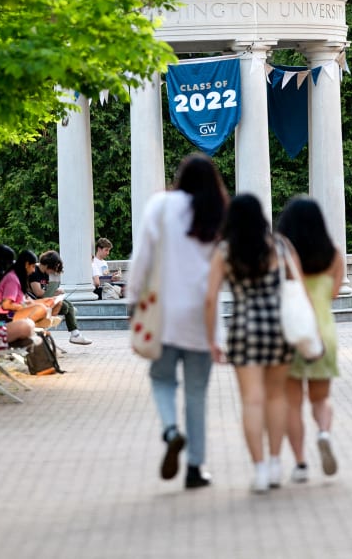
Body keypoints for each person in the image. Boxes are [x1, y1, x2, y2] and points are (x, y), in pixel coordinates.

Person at [128, 153, 227, 490]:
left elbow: (141, 256)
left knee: (161, 378)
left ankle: (171, 430)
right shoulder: (218, 213)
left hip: (164, 314)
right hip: (202, 315)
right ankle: (195, 469)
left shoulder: (161, 205)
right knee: (197, 393)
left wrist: (132, 299)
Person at [206, 193, 296, 493]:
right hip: (279, 328)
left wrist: (212, 339)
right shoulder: (280, 246)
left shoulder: (224, 251)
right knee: (276, 397)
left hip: (244, 329)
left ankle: (258, 469)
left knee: (251, 400)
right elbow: (298, 288)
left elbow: (210, 298)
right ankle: (274, 464)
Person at [276, 196, 343, 483]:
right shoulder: (335, 255)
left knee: (292, 404)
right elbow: (334, 294)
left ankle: (301, 464)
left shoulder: (283, 256)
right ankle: (324, 433)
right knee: (321, 398)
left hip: (291, 331)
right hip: (322, 332)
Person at [30, 250, 91, 346]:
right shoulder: (35, 272)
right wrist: (55, 292)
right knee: (65, 307)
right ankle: (75, 335)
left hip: (45, 301)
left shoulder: (45, 273)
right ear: (47, 265)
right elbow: (38, 292)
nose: (54, 271)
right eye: (54, 268)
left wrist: (56, 292)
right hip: (37, 303)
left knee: (69, 305)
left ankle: (75, 334)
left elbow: (45, 291)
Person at [0, 249, 58, 326]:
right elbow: (6, 305)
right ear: (27, 264)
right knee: (41, 309)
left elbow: (25, 300)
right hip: (6, 316)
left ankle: (37, 323)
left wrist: (45, 301)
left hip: (17, 310)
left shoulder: (19, 277)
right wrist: (25, 306)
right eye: (33, 266)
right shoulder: (12, 279)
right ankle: (32, 325)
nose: (34, 270)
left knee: (50, 302)